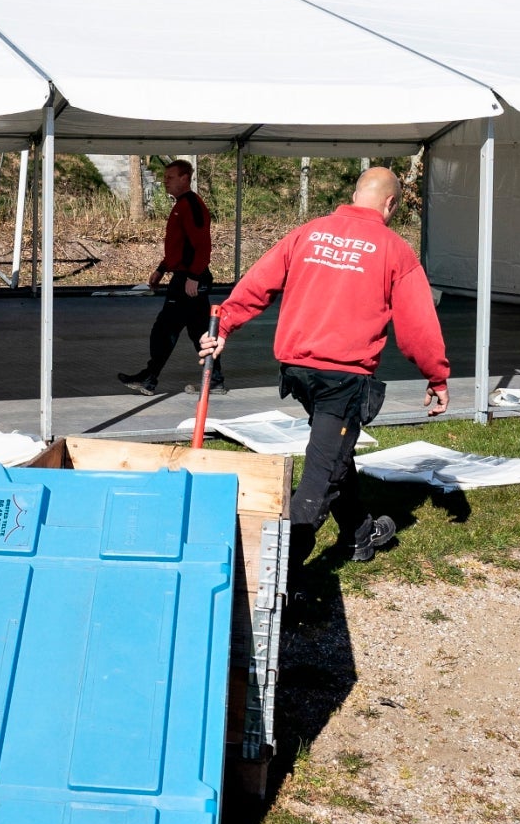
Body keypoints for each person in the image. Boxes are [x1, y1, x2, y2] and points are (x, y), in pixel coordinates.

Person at [199, 166, 449, 563]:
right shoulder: (394, 248)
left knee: (333, 452)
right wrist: (437, 376)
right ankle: (277, 567)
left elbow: (259, 281)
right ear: (390, 203)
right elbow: (418, 325)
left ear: (354, 194)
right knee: (319, 476)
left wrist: (225, 322)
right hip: (343, 376)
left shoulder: (309, 232)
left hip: (298, 370)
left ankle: (359, 534)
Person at [117, 159, 218, 395]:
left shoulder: (191, 204)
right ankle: (215, 378)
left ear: (185, 178)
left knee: (165, 329)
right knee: (199, 331)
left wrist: (194, 275)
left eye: (170, 177)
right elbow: (179, 246)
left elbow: (202, 245)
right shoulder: (181, 205)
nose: (165, 181)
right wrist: (162, 268)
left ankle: (149, 378)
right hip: (185, 275)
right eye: (164, 178)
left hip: (189, 279)